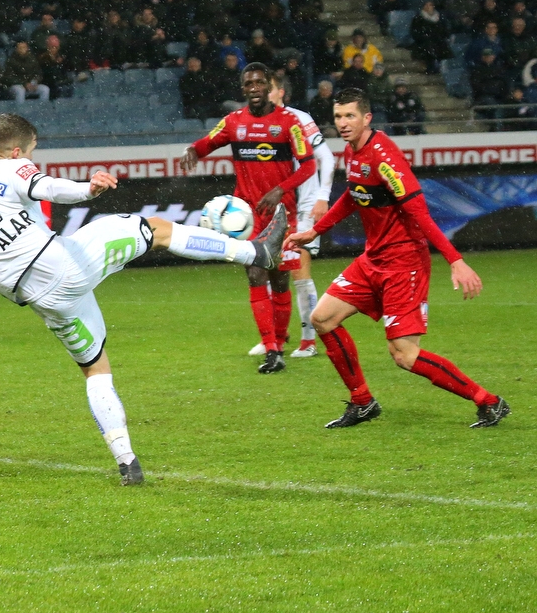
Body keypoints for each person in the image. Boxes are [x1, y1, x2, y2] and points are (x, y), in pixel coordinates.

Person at [0, 113, 289, 485]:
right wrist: (88, 189)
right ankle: (256, 253)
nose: (32, 158)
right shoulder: (13, 168)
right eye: (32, 151)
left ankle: (127, 462)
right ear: (16, 151)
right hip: (61, 268)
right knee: (155, 230)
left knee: (95, 369)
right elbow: (50, 188)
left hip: (34, 296)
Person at [284, 87, 510, 429]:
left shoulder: (385, 158)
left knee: (404, 355)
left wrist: (455, 260)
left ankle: (488, 401)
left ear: (367, 118)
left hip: (404, 263)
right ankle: (362, 402)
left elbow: (420, 213)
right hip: (372, 259)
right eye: (338, 117)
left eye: (350, 116)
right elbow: (353, 194)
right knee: (323, 319)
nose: (343, 124)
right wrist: (316, 231)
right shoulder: (352, 150)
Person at [180, 62, 318, 374]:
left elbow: (309, 165)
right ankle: (271, 348)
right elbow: (209, 141)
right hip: (248, 218)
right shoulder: (234, 122)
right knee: (256, 275)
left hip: (282, 215)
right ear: (243, 89)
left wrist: (280, 190)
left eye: (259, 83)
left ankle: (280, 341)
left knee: (280, 279)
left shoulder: (289, 123)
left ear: (269, 86)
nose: (254, 88)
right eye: (248, 84)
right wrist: (194, 150)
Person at [249, 71, 335, 359]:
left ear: (280, 92)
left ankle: (308, 341)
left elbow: (327, 157)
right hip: (275, 210)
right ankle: (275, 336)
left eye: (267, 88)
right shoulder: (256, 121)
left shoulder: (298, 119)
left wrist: (322, 197)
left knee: (297, 271)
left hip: (302, 207)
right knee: (267, 269)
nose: (261, 93)